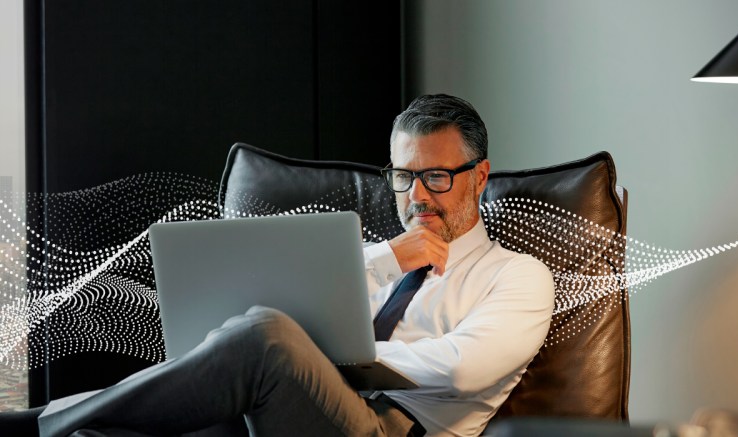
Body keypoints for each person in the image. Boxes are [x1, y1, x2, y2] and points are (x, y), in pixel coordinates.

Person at [25, 94, 555, 436]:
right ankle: (59, 425)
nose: (417, 196)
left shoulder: (518, 276)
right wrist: (390, 257)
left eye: (437, 176)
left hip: (389, 430)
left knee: (271, 335)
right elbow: (266, 312)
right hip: (278, 410)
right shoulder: (370, 260)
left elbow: (464, 368)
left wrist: (326, 356)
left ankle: (33, 424)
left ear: (480, 177)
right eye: (402, 176)